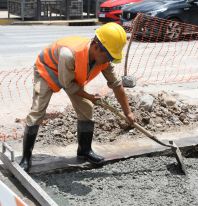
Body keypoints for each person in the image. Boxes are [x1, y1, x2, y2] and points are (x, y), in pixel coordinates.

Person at [19, 22, 135, 172]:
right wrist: (91, 96)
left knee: (86, 108)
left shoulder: (104, 60)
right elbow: (68, 86)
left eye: (112, 57)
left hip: (70, 75)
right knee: (38, 111)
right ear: (95, 46)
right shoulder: (69, 54)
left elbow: (117, 85)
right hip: (47, 70)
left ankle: (84, 151)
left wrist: (128, 113)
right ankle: (26, 158)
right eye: (108, 56)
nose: (109, 60)